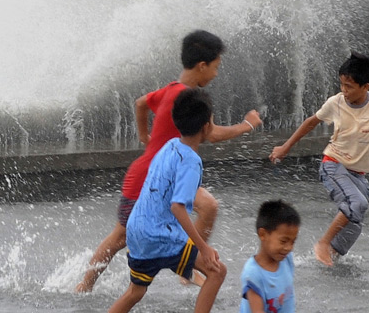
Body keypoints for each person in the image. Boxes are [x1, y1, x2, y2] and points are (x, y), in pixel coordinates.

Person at [77, 29, 261, 292]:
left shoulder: (171, 90)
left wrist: (145, 137)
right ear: (201, 65)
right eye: (216, 67)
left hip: (160, 173)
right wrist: (246, 125)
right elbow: (211, 134)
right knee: (120, 237)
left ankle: (186, 268)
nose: (217, 74)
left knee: (207, 207)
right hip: (146, 177)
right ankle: (84, 287)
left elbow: (141, 103)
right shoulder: (184, 97)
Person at [269, 52, 369, 265]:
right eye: (342, 84)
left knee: (356, 221)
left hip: (358, 173)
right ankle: (323, 243)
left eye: (349, 86)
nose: (344, 91)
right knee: (357, 203)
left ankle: (330, 257)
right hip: (333, 164)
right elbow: (311, 122)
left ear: (365, 87)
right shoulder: (336, 103)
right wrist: (285, 147)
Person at [100, 87, 228, 313]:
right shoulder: (191, 162)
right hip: (159, 234)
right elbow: (177, 207)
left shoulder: (169, 145)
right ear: (206, 127)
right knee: (217, 271)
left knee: (135, 291)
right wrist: (204, 247)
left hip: (137, 229)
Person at [234, 200, 301, 313]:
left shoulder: (286, 260)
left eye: (293, 241)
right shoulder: (253, 272)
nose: (289, 248)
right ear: (263, 234)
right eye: (283, 241)